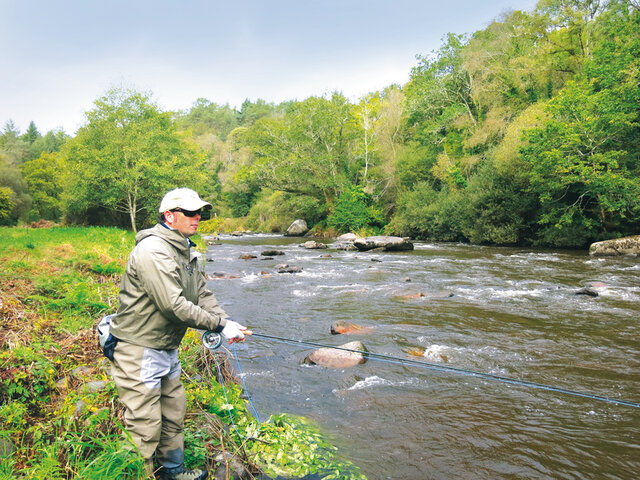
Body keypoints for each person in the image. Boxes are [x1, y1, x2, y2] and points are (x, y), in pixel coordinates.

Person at [109, 187, 247, 480]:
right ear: (169, 216)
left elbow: (202, 294)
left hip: (166, 346)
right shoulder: (152, 251)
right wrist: (219, 326)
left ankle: (171, 472)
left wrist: (226, 321)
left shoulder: (186, 250)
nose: (198, 217)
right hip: (139, 348)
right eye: (190, 212)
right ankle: (141, 475)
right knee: (144, 424)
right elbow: (173, 305)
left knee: (173, 412)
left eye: (201, 212)